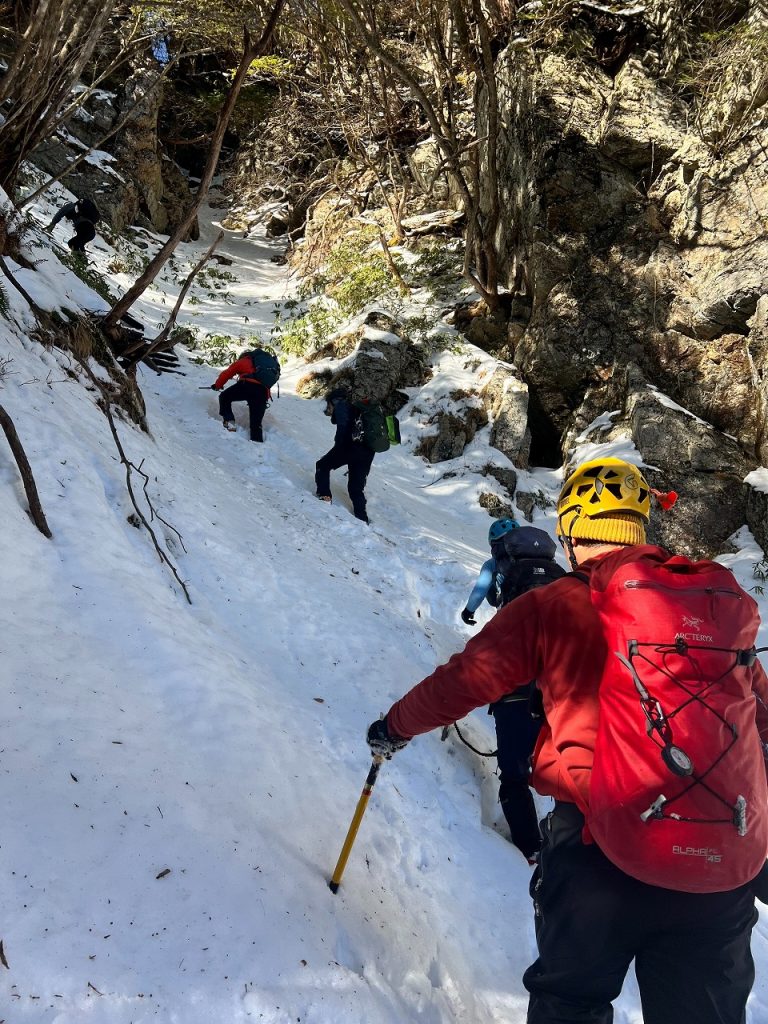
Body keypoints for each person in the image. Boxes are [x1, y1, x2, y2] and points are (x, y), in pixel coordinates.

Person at [366, 456, 768, 1024]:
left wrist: (393, 727)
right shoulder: (712, 609)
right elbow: (761, 720)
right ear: (638, 525)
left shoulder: (556, 604)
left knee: (570, 1005)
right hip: (721, 865)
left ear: (573, 532)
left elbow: (465, 680)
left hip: (596, 852)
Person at [460, 516, 565, 862]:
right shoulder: (556, 572)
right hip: (561, 687)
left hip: (518, 686)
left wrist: (469, 612)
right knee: (567, 770)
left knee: (515, 774)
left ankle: (531, 846)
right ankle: (568, 843)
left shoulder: (497, 564)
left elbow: (482, 589)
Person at [315, 388, 375, 524]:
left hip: (349, 448)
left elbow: (342, 427)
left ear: (334, 401)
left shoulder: (341, 406)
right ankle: (362, 517)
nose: (328, 407)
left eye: (329, 404)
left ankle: (325, 497)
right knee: (356, 487)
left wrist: (338, 447)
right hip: (367, 452)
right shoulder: (357, 409)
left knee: (322, 465)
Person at [211, 350, 276, 442]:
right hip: (262, 393)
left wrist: (217, 385)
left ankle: (230, 423)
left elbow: (227, 373)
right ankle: (257, 444)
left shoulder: (245, 360)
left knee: (224, 397)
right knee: (256, 424)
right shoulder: (263, 367)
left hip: (246, 386)